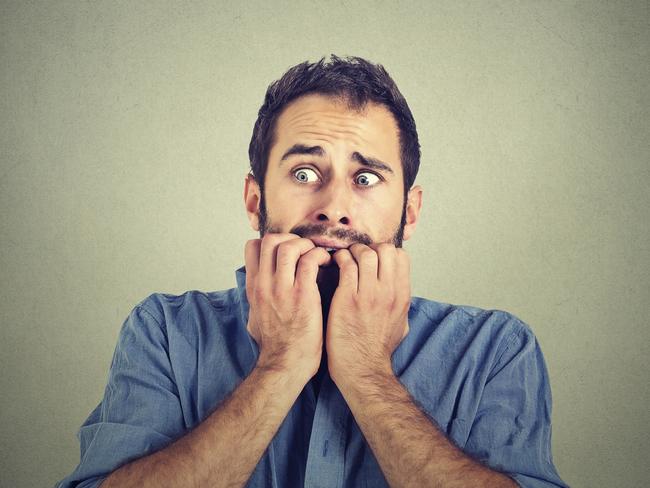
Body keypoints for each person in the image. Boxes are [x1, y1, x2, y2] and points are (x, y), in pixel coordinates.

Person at [58, 55, 567, 488]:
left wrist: (367, 372)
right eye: (305, 173)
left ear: (409, 211)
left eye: (366, 177)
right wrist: (278, 365)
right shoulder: (165, 331)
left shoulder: (496, 348)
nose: (334, 208)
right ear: (255, 199)